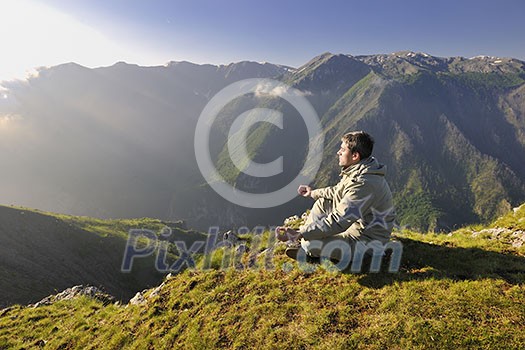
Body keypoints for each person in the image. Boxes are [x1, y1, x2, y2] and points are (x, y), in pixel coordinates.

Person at [276, 131, 395, 266]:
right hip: (355, 225)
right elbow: (336, 192)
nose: (338, 152)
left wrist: (300, 233)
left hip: (366, 241)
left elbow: (338, 221)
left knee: (310, 243)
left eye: (342, 150)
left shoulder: (363, 184)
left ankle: (366, 258)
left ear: (355, 156)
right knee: (323, 203)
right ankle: (311, 242)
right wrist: (312, 193)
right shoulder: (359, 169)